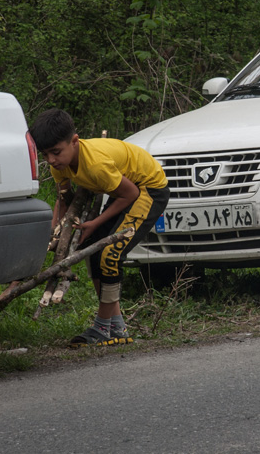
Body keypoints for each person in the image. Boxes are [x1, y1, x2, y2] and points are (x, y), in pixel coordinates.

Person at [29, 108, 169, 346]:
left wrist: (94, 223)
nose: (51, 160)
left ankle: (102, 327)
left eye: (56, 152)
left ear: (74, 141)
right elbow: (64, 201)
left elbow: (131, 193)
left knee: (110, 255)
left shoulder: (96, 165)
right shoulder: (59, 165)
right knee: (93, 251)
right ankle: (117, 327)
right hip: (124, 189)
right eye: (45, 155)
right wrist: (54, 231)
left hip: (147, 188)